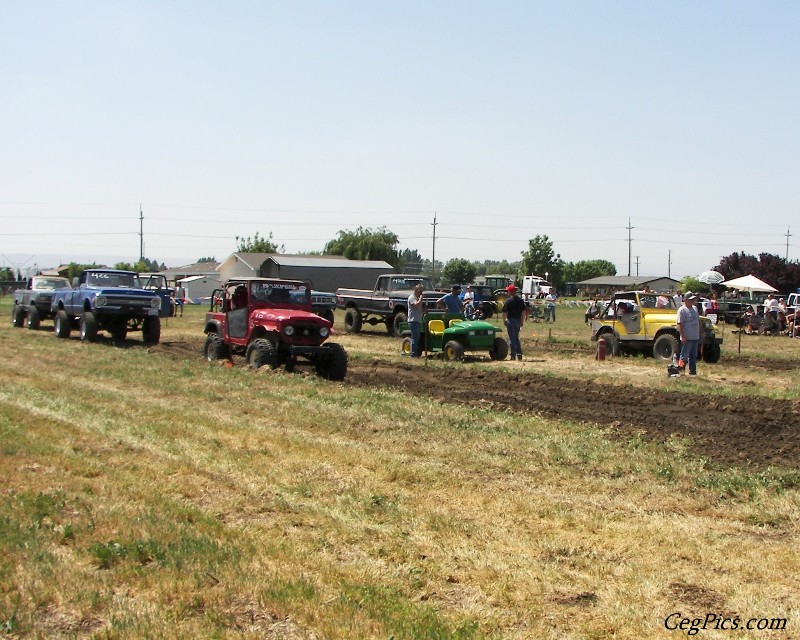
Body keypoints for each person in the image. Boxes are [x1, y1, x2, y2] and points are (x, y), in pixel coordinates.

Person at [677, 291, 704, 376]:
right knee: (684, 355)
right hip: (687, 337)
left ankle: (692, 371)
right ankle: (681, 370)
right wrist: (683, 336)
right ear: (685, 300)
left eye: (693, 299)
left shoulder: (695, 308)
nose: (693, 301)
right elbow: (679, 323)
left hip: (695, 337)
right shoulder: (682, 310)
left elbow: (698, 321)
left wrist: (701, 331)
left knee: (693, 356)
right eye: (690, 300)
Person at [502, 284, 528, 360]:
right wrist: (522, 321)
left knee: (512, 338)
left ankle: (513, 355)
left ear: (510, 292)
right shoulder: (520, 301)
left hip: (510, 321)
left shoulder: (508, 301)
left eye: (508, 291)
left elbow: (504, 313)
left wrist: (504, 321)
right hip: (517, 321)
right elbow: (523, 312)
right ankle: (519, 354)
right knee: (516, 338)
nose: (507, 292)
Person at [407, 283, 424, 357]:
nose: (420, 293)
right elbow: (416, 305)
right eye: (419, 291)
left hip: (418, 320)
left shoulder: (417, 298)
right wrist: (421, 298)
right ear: (415, 290)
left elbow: (419, 308)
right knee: (414, 338)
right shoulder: (412, 297)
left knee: (417, 338)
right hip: (413, 321)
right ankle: (413, 355)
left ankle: (415, 353)